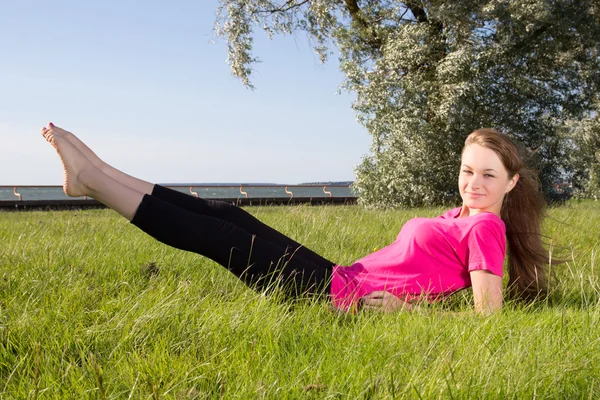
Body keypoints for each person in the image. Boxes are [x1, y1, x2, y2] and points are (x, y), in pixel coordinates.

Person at [41, 123, 549, 314]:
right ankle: (102, 172)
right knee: (228, 213)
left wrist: (405, 313)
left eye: (488, 175)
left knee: (216, 234)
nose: (474, 183)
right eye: (467, 171)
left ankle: (96, 184)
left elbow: (489, 317)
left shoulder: (485, 226)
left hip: (336, 297)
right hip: (336, 278)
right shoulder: (459, 215)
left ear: (511, 183)